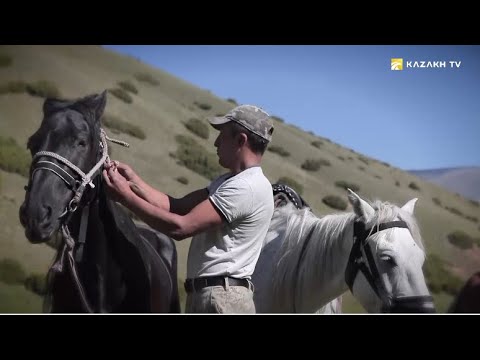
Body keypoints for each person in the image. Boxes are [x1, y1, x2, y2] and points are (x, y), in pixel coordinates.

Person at [102, 104, 275, 313]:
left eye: (222, 136)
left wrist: (125, 197)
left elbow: (181, 227)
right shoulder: (230, 181)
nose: (216, 142)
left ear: (241, 140)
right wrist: (133, 182)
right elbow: (178, 206)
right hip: (214, 297)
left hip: (221, 300)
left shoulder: (246, 187)